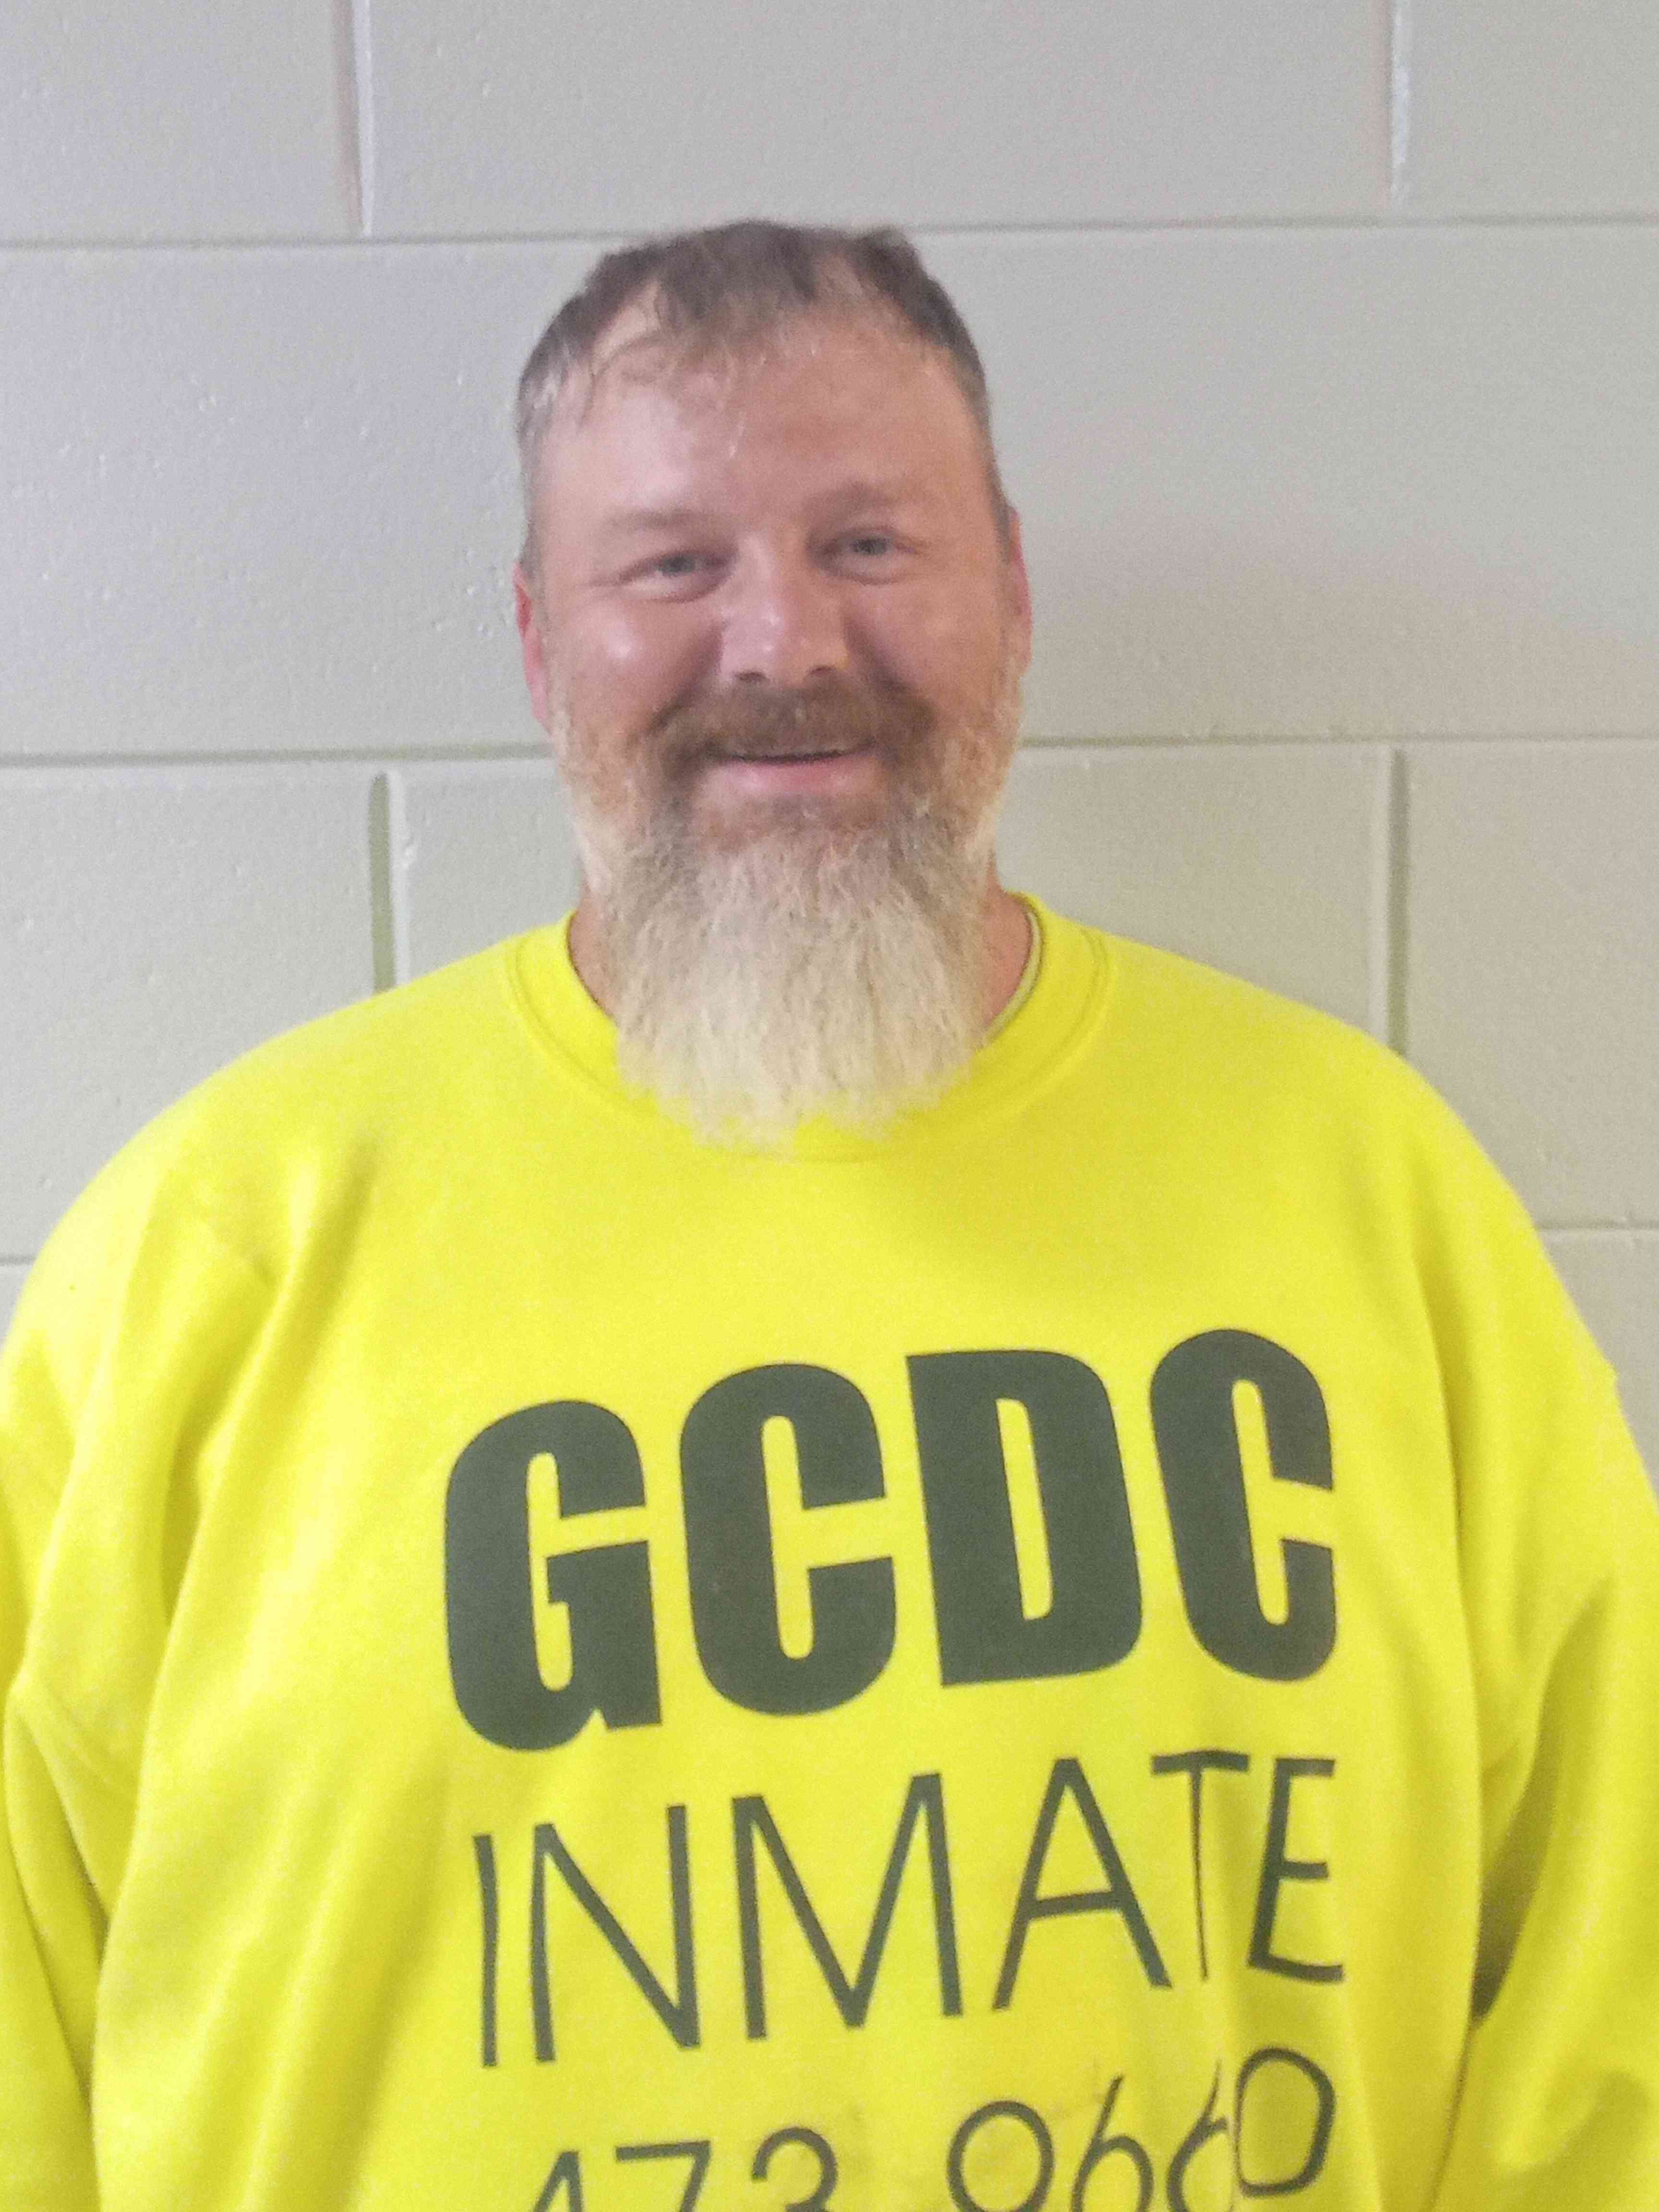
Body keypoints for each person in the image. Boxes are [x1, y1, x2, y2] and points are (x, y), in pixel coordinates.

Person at [3, 221, 1656, 2212]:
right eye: (671, 565)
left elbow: (1612, 1975)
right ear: (540, 641)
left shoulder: (1371, 1192)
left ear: (1013, 597)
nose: (783, 644)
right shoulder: (217, 1249)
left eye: (869, 544)